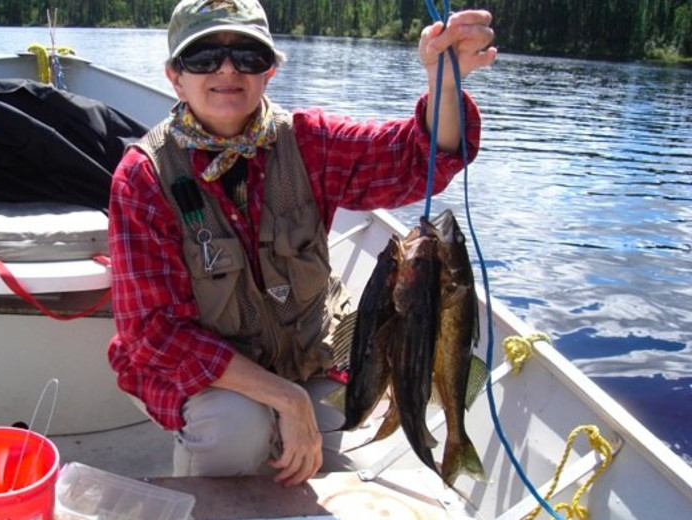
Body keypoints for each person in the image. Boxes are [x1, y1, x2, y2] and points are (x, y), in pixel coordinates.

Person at [108, 0, 496, 487]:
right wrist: (283, 398)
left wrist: (443, 85)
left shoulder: (309, 142)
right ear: (174, 76)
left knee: (335, 416)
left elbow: (415, 161)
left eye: (247, 56)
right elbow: (154, 335)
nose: (227, 69)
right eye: (204, 56)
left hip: (307, 352)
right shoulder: (144, 178)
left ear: (268, 71)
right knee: (237, 428)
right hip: (201, 373)